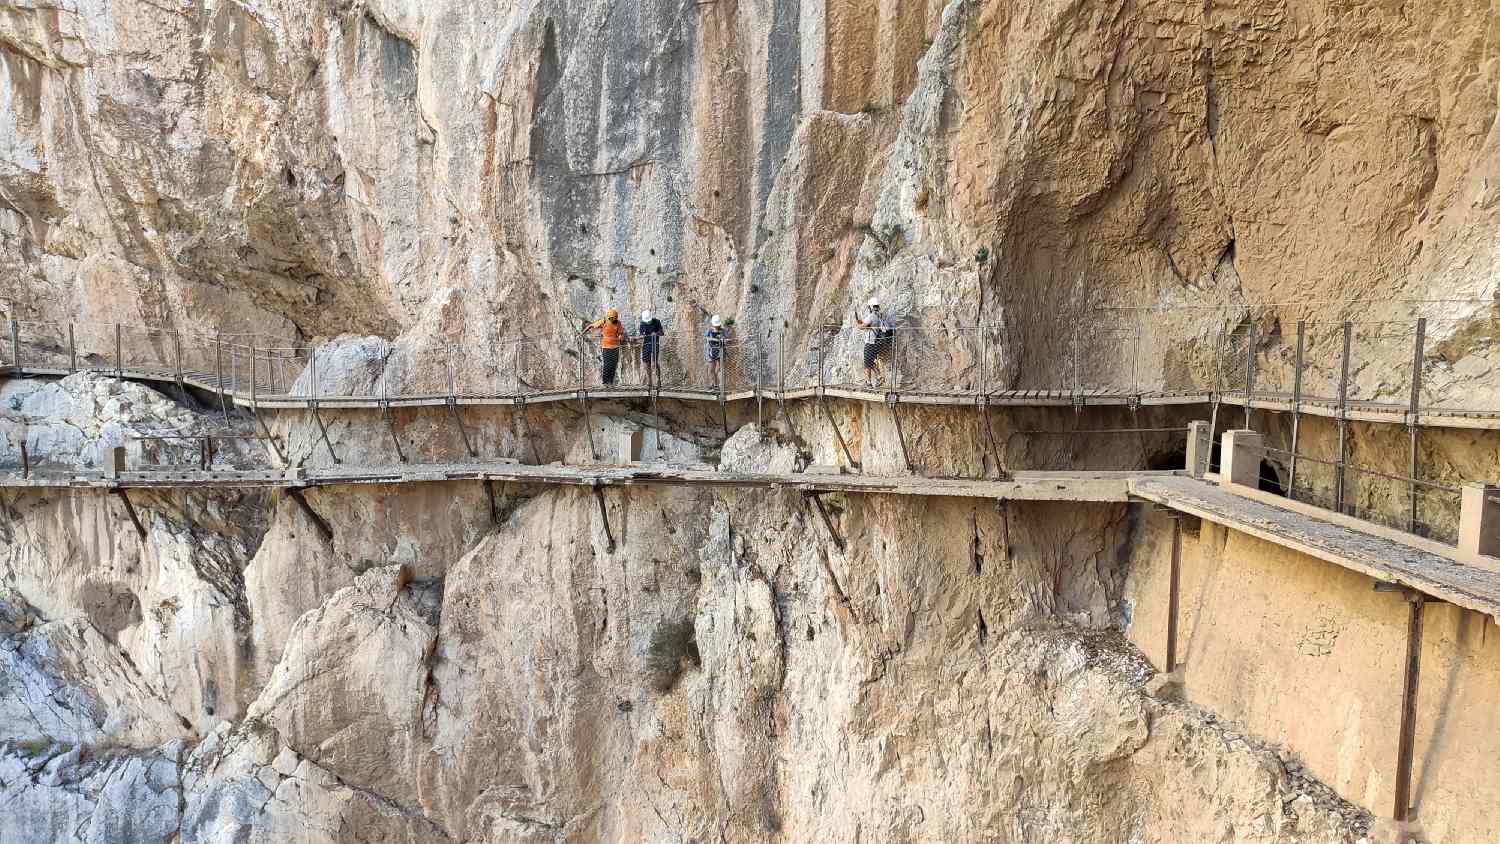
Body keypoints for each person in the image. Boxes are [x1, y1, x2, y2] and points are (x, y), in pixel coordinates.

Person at [856, 297, 892, 388]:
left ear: (871, 307)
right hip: (878, 342)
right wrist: (863, 323)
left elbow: (862, 327)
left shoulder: (871, 316)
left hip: (870, 342)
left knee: (867, 363)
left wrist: (858, 325)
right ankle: (879, 376)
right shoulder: (880, 315)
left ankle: (868, 383)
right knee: (870, 361)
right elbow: (870, 324)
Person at [583, 308, 624, 386]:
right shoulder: (604, 321)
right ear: (610, 317)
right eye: (613, 318)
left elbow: (621, 333)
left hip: (615, 347)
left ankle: (610, 382)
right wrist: (582, 333)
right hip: (606, 347)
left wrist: (621, 336)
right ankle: (605, 382)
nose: (614, 319)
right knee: (607, 364)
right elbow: (591, 326)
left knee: (613, 364)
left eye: (615, 318)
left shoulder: (618, 323)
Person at [638, 309, 664, 389]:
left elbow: (662, 333)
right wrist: (640, 338)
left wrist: (656, 333)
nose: (648, 322)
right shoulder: (642, 324)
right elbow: (641, 335)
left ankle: (658, 380)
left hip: (654, 344)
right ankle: (649, 381)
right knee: (646, 363)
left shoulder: (657, 322)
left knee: (654, 362)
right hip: (646, 345)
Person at [705, 314, 728, 389]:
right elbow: (706, 338)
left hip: (719, 352)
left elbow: (727, 339)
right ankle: (713, 384)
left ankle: (720, 385)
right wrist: (715, 339)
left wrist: (724, 340)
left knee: (719, 369)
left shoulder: (722, 331)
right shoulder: (709, 331)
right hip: (711, 351)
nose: (716, 326)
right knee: (711, 369)